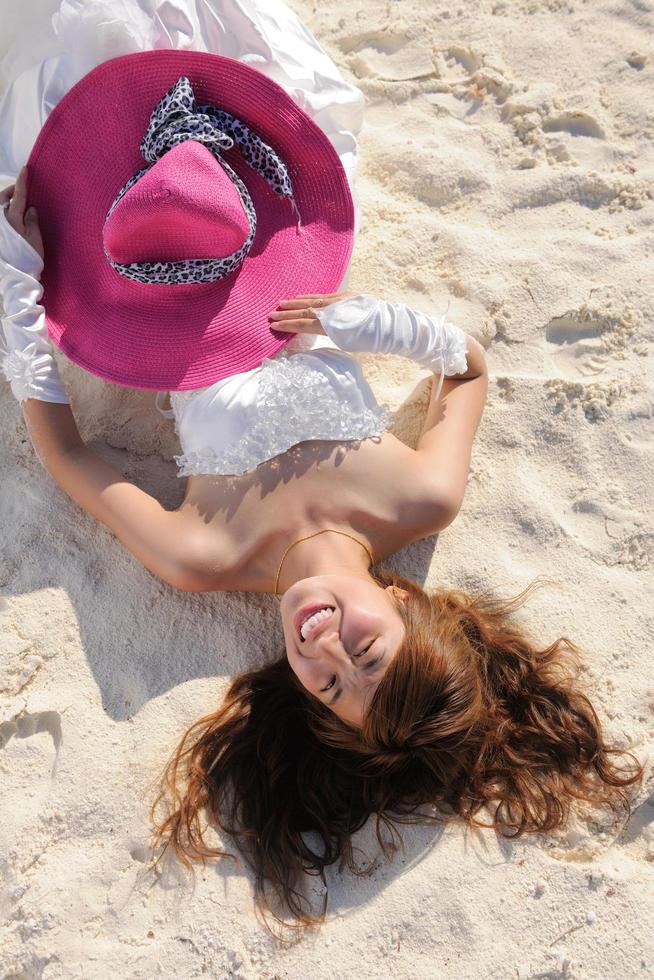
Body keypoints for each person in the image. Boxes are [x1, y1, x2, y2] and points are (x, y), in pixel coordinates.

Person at [0, 3, 644, 936]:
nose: (326, 649)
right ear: (411, 608)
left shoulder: (206, 555)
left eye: (332, 687)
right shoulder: (418, 497)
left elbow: (70, 458)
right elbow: (467, 367)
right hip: (273, 228)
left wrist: (20, 300)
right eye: (368, 653)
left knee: (77, 50)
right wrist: (366, 325)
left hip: (149, 262)